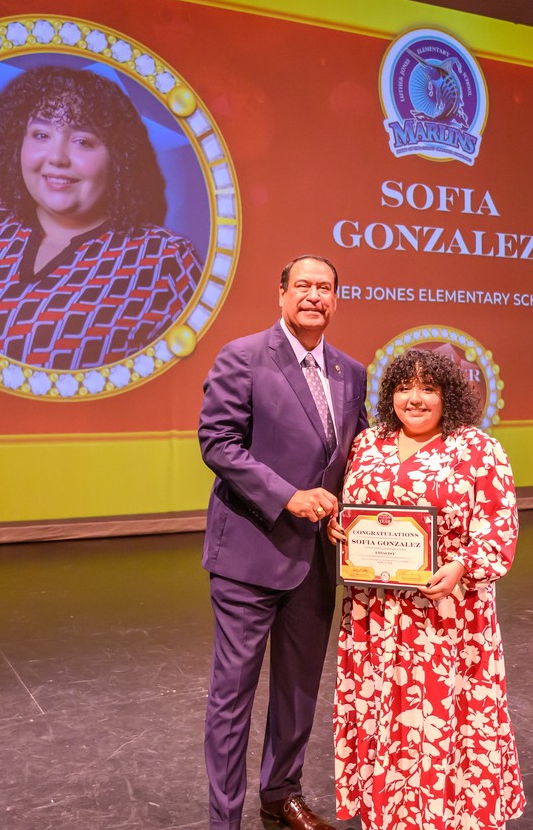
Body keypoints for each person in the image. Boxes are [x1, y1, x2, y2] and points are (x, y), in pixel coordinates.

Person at [199, 255, 369, 830]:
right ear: (281, 294)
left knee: (298, 690)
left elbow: (356, 456)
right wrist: (288, 496)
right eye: (303, 286)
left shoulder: (351, 372)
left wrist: (357, 512)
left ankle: (281, 794)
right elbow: (218, 443)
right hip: (249, 553)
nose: (314, 296)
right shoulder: (243, 356)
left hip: (315, 559)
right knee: (233, 696)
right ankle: (225, 818)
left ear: (335, 299)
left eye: (324, 287)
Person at [327, 348, 525, 830]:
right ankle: (390, 814)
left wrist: (462, 565)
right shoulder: (368, 443)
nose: (414, 399)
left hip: (448, 617)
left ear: (447, 395)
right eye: (404, 388)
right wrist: (339, 528)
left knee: (444, 715)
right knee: (385, 712)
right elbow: (354, 511)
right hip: (375, 617)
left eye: (428, 389)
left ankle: (450, 816)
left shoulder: (477, 449)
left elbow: (498, 528)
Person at [0, 65, 202, 371]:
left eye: (82, 141)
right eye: (41, 135)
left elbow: (182, 381)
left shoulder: (164, 260)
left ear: (118, 158)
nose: (56, 157)